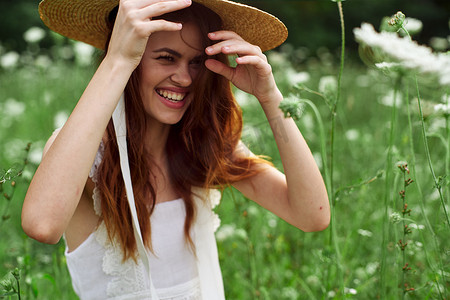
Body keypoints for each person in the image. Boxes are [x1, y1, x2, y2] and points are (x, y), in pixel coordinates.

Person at [22, 0, 330, 299]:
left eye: (195, 62)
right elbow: (42, 225)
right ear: (130, 53)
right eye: (166, 58)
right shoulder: (90, 155)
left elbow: (312, 215)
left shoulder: (202, 145)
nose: (184, 78)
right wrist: (116, 61)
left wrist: (270, 97)